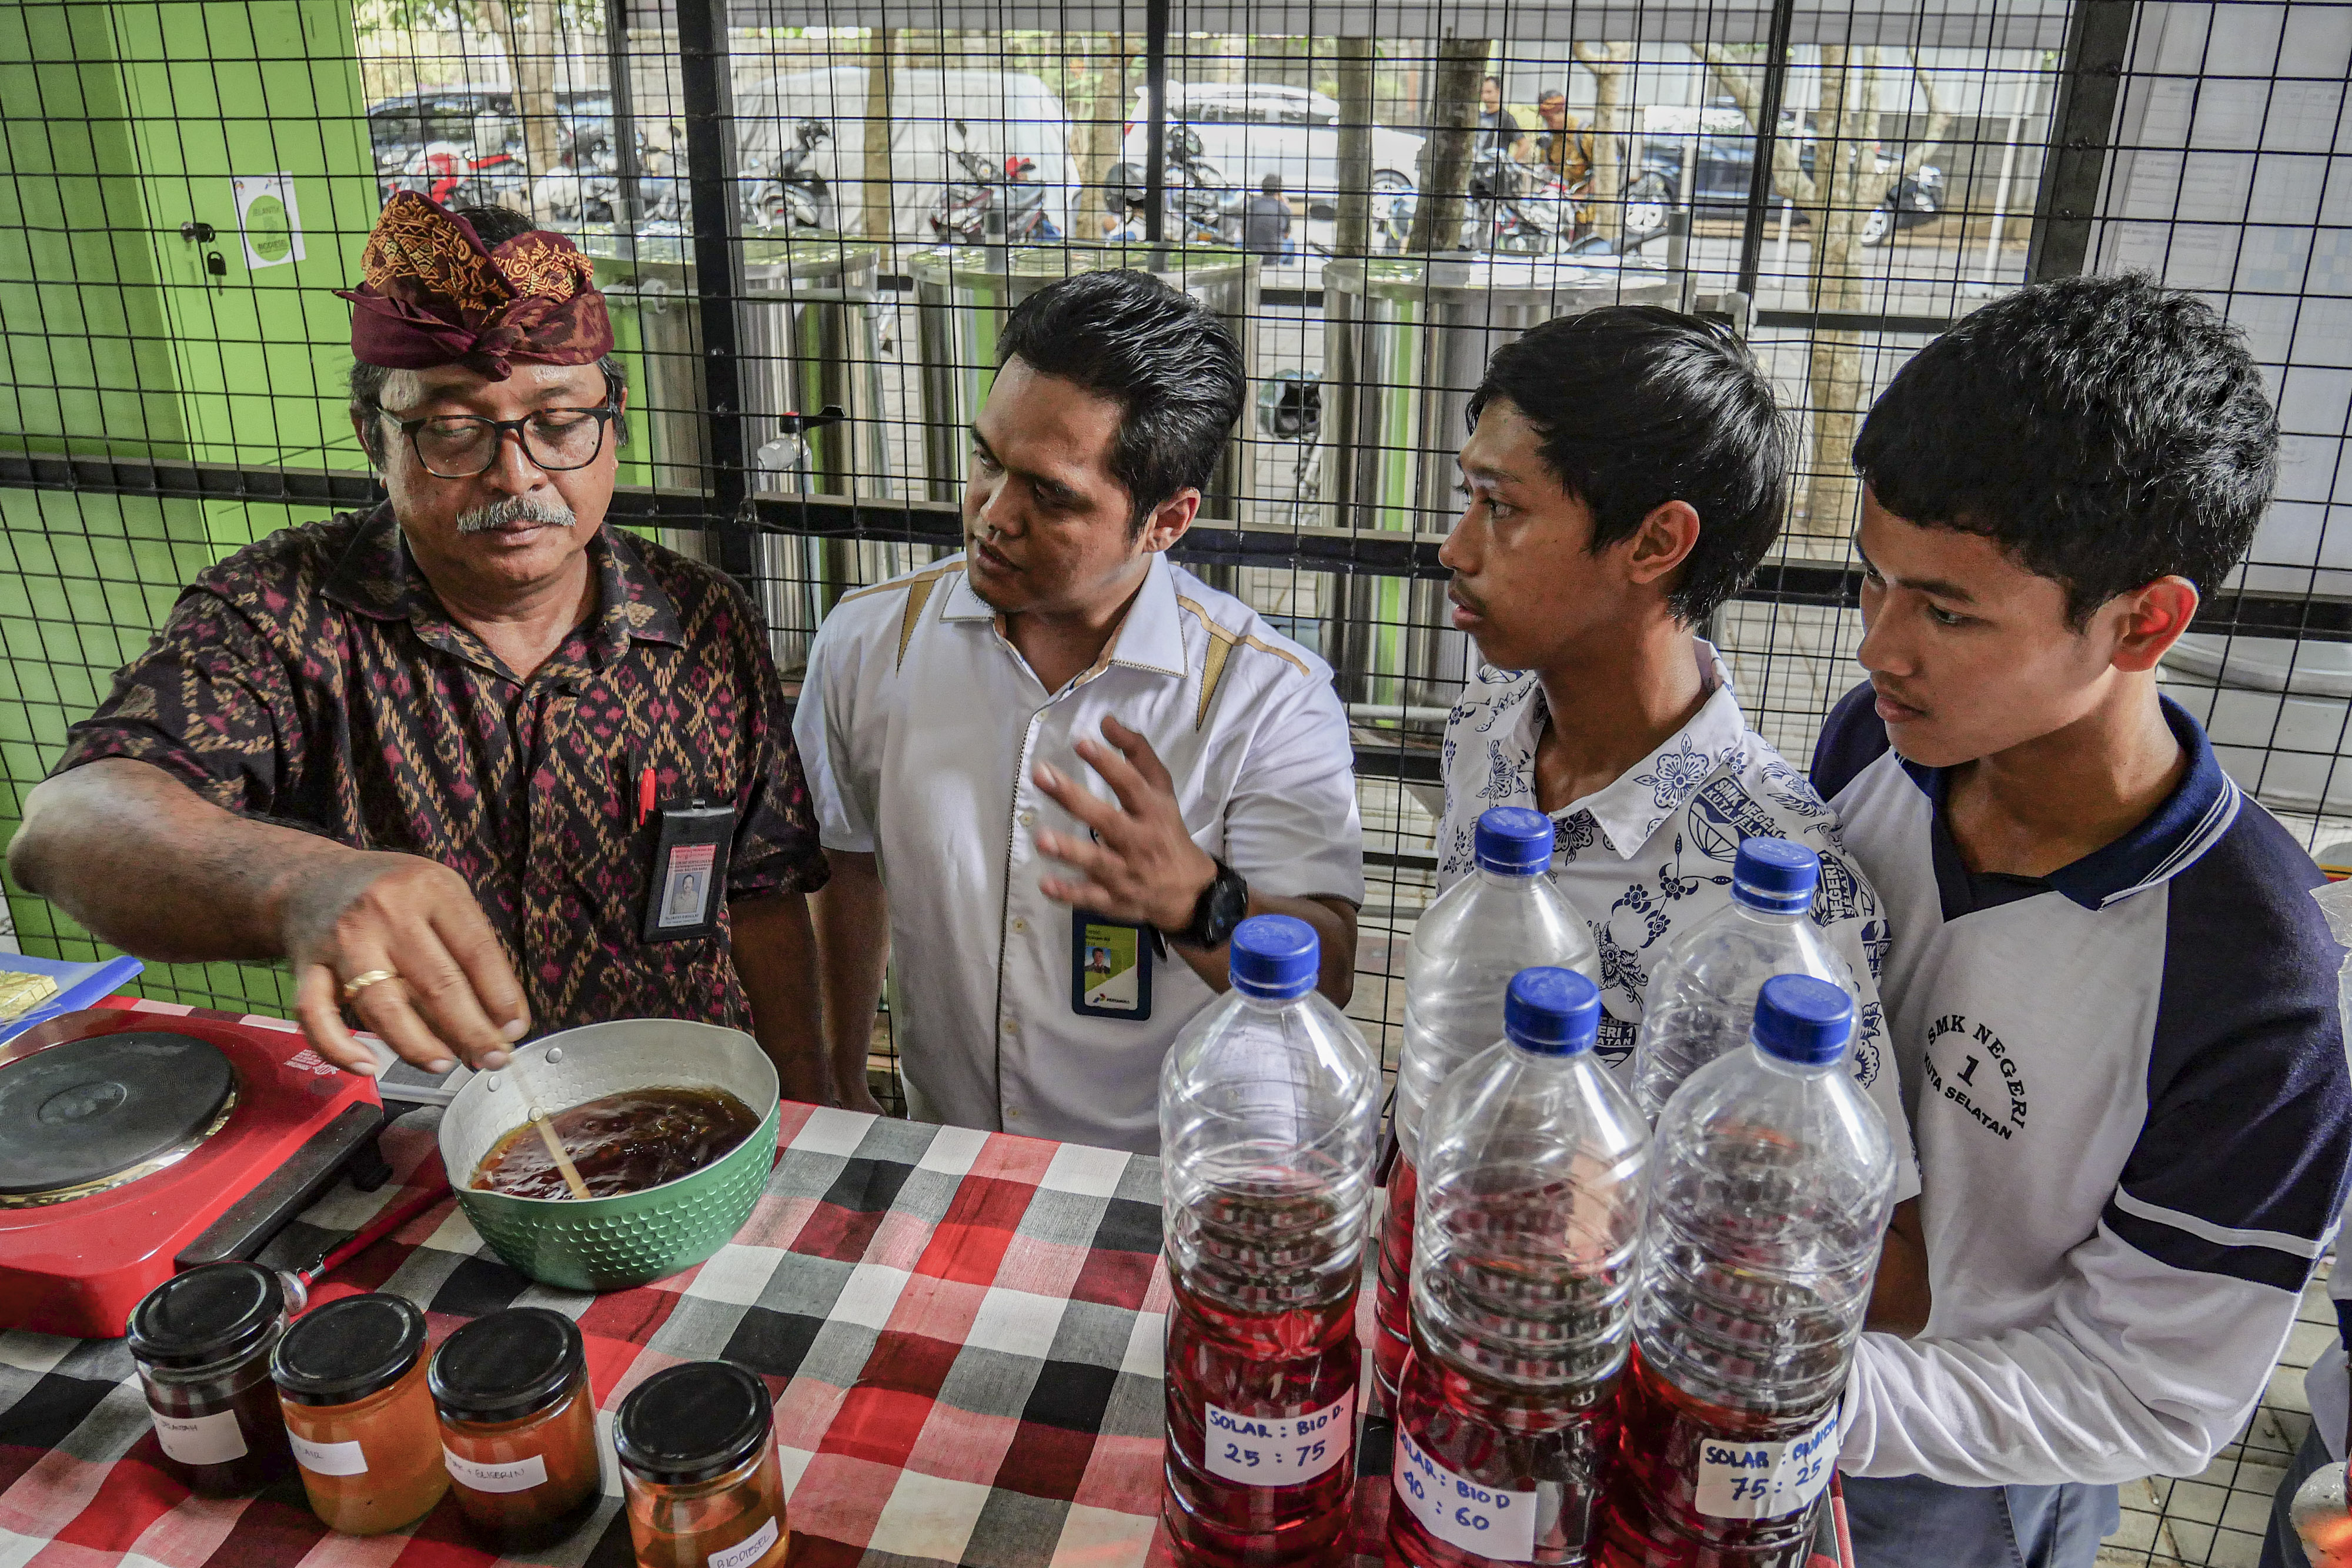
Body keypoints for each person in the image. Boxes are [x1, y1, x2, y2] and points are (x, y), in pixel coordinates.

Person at [6, 194, 832, 1096]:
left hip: (692, 1100)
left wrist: (807, 1087)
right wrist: (298, 883)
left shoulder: (706, 619)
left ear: (613, 421)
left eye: (558, 422)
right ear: (376, 437)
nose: (517, 474)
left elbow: (762, 890)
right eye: (452, 429)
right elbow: (66, 826)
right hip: (418, 1116)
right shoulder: (283, 616)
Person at [1808, 274, 2352, 1567]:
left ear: (2143, 619)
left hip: (1967, 1474)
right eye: (1871, 582)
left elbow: (2145, 1392)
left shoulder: (2251, 987)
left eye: (1946, 610)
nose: (1882, 646)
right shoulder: (1869, 753)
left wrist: (1800, 1394)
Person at [1433, 304, 1927, 1323]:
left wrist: (1633, 1210)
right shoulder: (1488, 720)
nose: (1454, 547)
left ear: (1656, 541)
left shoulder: (1784, 892)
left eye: (1502, 508)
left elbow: (1890, 1272)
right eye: (1465, 498)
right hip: (1435, 1284)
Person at [795, 269, 1362, 1154]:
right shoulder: (871, 644)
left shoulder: (1266, 696)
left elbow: (1329, 968)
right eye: (987, 459)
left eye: (1052, 494)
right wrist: (835, 1073)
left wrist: (1198, 900)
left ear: (1166, 520)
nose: (993, 513)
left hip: (1169, 1176)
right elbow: (846, 861)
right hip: (945, 1150)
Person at [1532, 89, 1593, 188]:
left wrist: (1581, 196)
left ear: (1562, 112)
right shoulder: (1550, 138)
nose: (1548, 124)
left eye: (1550, 119)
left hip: (1583, 198)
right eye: (1545, 119)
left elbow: (1602, 174)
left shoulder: (1584, 135)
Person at [1242, 173, 1293, 259]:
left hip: (1252, 255)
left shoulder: (1251, 205)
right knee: (1291, 243)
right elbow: (1286, 235)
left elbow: (1243, 231)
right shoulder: (1283, 209)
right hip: (1273, 256)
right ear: (1279, 190)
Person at [1476, 75, 1526, 159]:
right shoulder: (1479, 117)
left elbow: (1524, 145)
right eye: (1482, 92)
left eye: (1489, 92)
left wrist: (1509, 165)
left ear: (1498, 92)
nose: (1485, 97)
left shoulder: (1505, 118)